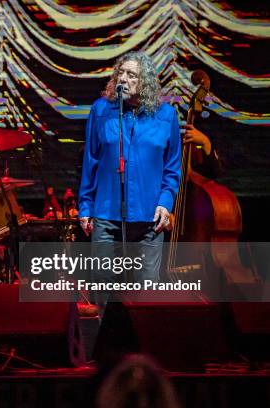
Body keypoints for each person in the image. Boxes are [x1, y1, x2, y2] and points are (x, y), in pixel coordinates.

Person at [78, 51, 181, 284]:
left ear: (145, 82)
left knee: (147, 288)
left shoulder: (166, 115)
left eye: (131, 74)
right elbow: (90, 161)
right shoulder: (101, 110)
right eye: (120, 73)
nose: (123, 79)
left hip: (149, 218)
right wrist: (85, 206)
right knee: (104, 284)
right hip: (106, 214)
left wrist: (165, 203)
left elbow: (172, 168)